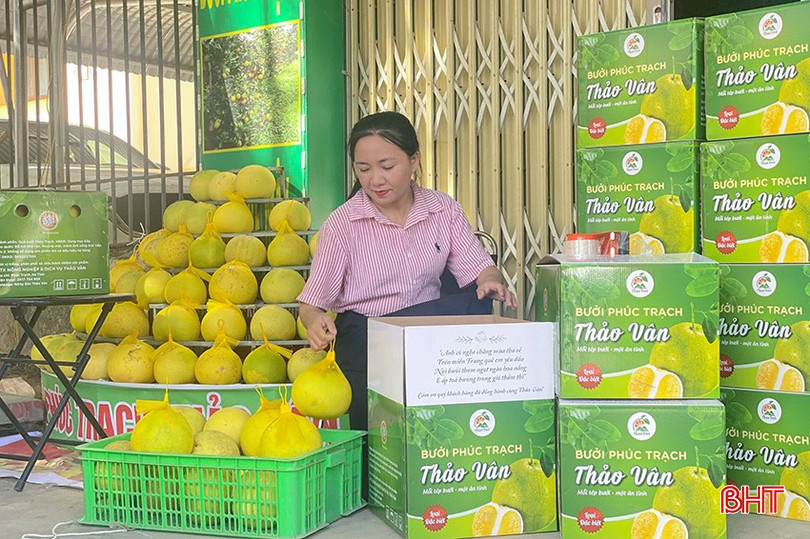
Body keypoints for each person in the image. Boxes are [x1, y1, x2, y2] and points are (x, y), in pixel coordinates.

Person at [297, 111, 517, 432]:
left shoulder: (442, 209)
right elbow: (311, 304)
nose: (375, 180)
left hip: (429, 344)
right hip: (368, 349)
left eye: (387, 167)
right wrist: (314, 321)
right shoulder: (343, 224)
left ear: (414, 160)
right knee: (380, 441)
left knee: (434, 435)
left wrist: (491, 281)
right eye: (364, 169)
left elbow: (478, 267)